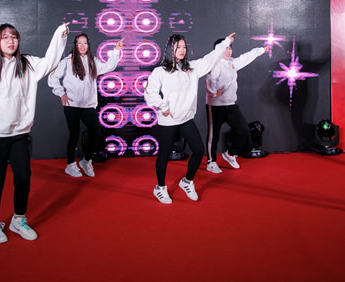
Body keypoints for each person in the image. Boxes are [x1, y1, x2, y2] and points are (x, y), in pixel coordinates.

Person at [0, 22, 69, 243]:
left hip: (20, 134)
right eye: (5, 37)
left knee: (24, 179)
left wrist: (60, 35)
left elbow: (51, 61)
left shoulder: (27, 64)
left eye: (14, 37)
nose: (10, 41)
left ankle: (19, 220)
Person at [144, 32, 234, 204]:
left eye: (184, 47)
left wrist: (225, 43)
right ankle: (160, 188)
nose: (182, 50)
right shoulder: (160, 71)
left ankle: (187, 181)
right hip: (168, 120)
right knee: (164, 155)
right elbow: (149, 93)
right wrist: (163, 106)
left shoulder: (191, 68)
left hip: (185, 118)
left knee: (198, 150)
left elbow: (210, 59)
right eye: (178, 47)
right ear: (170, 49)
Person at [48, 34, 124, 178]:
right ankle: (70, 164)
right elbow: (53, 78)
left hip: (88, 105)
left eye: (85, 43)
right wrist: (61, 93)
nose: (82, 46)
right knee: (74, 134)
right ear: (75, 45)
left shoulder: (92, 61)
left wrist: (116, 50)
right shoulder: (67, 61)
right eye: (79, 43)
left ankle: (86, 160)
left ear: (88, 45)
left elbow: (109, 66)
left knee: (96, 133)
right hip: (72, 104)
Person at [204, 39, 268, 173]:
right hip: (215, 107)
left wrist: (261, 50)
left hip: (230, 105)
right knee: (213, 135)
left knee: (243, 130)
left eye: (230, 48)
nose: (228, 51)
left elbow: (246, 58)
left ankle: (230, 154)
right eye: (225, 48)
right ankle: (211, 162)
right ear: (218, 50)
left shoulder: (232, 63)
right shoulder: (214, 64)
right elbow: (210, 81)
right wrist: (214, 93)